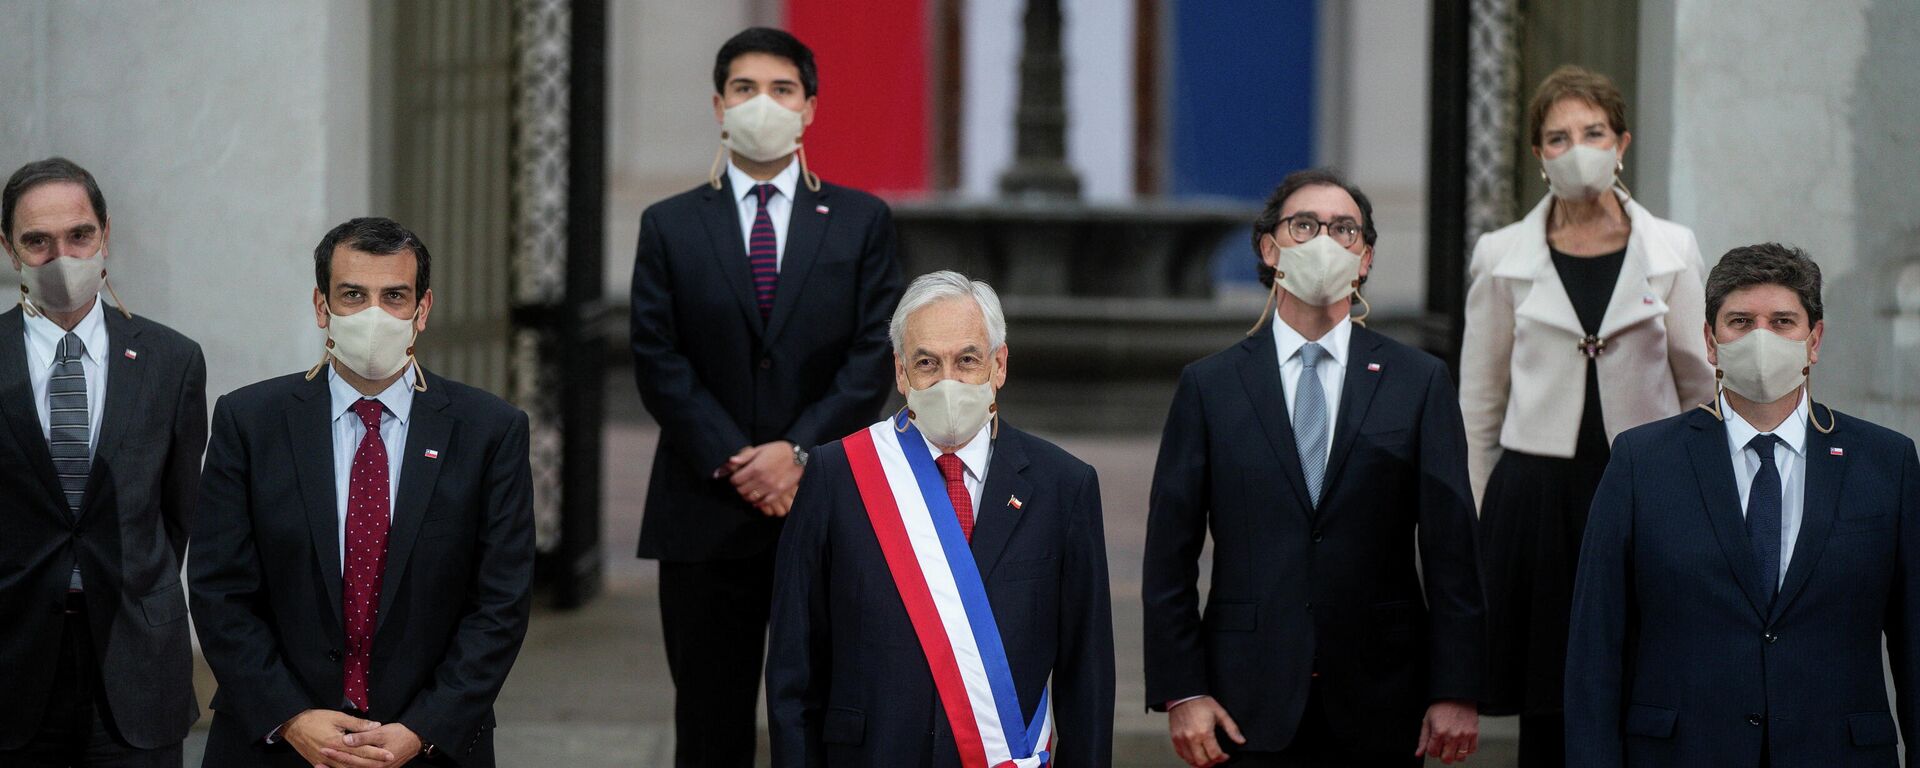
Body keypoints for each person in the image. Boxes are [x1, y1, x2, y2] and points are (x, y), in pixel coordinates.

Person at [1143, 169, 1484, 767]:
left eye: (1344, 230)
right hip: (1244, 702)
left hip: (1383, 699)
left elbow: (1453, 548)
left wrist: (1455, 687)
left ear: (1366, 259)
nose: (1325, 240)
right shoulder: (1211, 386)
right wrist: (1183, 690)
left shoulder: (1418, 382)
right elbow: (1169, 557)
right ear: (1269, 248)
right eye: (1305, 226)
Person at [629, 25, 904, 767]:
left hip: (825, 505)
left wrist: (797, 454)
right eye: (745, 89)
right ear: (718, 104)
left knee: (821, 714)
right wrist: (737, 459)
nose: (763, 104)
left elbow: (874, 354)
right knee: (710, 721)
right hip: (704, 509)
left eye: (782, 90)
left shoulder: (860, 221)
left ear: (810, 108)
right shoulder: (670, 225)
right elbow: (657, 357)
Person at [189, 217, 535, 767]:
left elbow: (501, 603)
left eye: (394, 296)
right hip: (277, 744)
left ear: (422, 310)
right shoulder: (250, 421)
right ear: (322, 307)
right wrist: (292, 718)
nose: (374, 314)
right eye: (353, 295)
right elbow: (218, 590)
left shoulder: (488, 430)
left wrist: (422, 728)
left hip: (429, 745)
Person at [1566, 243, 1919, 767]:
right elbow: (1596, 646)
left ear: (1814, 339)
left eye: (1782, 321)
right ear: (1711, 342)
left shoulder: (1886, 462)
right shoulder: (1642, 462)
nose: (1761, 338)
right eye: (1740, 322)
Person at [1458, 66, 1715, 764]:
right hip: (1536, 500)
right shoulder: (1501, 256)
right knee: (1550, 705)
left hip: (1645, 491)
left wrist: (1700, 501)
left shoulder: (1672, 249)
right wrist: (1480, 516)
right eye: (1558, 136)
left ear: (1622, 141)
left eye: (1593, 132)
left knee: (1644, 681)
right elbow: (1479, 403)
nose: (1578, 148)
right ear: (1539, 155)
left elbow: (1699, 386)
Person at [765, 271, 1113, 767]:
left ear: (999, 366)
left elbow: (1088, 679)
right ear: (902, 373)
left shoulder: (1065, 486)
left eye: (967, 360)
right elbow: (793, 673)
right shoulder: (839, 475)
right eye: (927, 362)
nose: (947, 380)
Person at [0, 158, 206, 766]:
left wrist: (138, 589)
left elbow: (177, 515)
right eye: (37, 241)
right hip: (11, 664)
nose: (60, 255)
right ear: (9, 249)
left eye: (78, 235)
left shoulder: (173, 361)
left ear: (105, 234)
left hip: (136, 663)